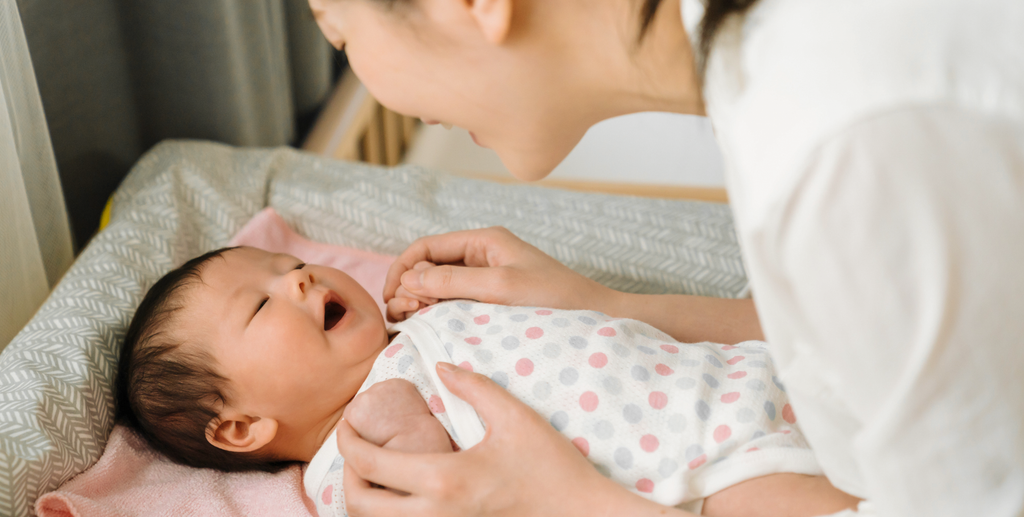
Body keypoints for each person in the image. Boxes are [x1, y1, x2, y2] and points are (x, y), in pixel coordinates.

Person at [267, 0, 1024, 515]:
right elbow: (878, 335)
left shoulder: (840, 143)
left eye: (341, 41)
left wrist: (571, 501)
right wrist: (605, 307)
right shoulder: (795, 41)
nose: (374, 90)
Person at [116, 246, 858, 516]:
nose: (299, 274)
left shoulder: (416, 333)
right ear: (240, 425)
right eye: (262, 302)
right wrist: (410, 433)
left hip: (735, 372)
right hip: (698, 473)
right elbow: (434, 498)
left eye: (284, 265)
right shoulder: (349, 464)